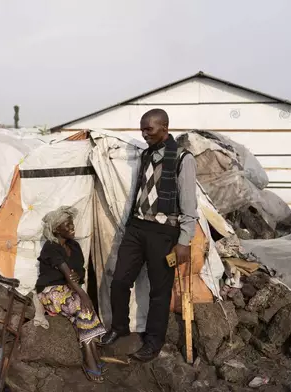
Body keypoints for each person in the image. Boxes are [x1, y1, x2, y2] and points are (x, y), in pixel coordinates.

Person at [100, 109, 198, 362]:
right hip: (137, 228)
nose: (144, 134)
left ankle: (153, 342)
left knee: (159, 291)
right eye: (142, 129)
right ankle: (119, 327)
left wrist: (184, 241)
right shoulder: (146, 154)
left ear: (164, 127)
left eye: (149, 129)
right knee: (120, 280)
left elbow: (189, 203)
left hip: (165, 232)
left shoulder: (183, 158)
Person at [36, 206, 107, 383]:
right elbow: (67, 273)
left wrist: (78, 276)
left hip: (69, 289)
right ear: (55, 229)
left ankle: (91, 358)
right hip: (50, 291)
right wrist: (85, 294)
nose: (72, 226)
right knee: (82, 305)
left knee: (83, 310)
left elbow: (79, 272)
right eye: (66, 224)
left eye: (71, 223)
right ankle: (92, 359)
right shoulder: (51, 247)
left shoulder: (74, 246)